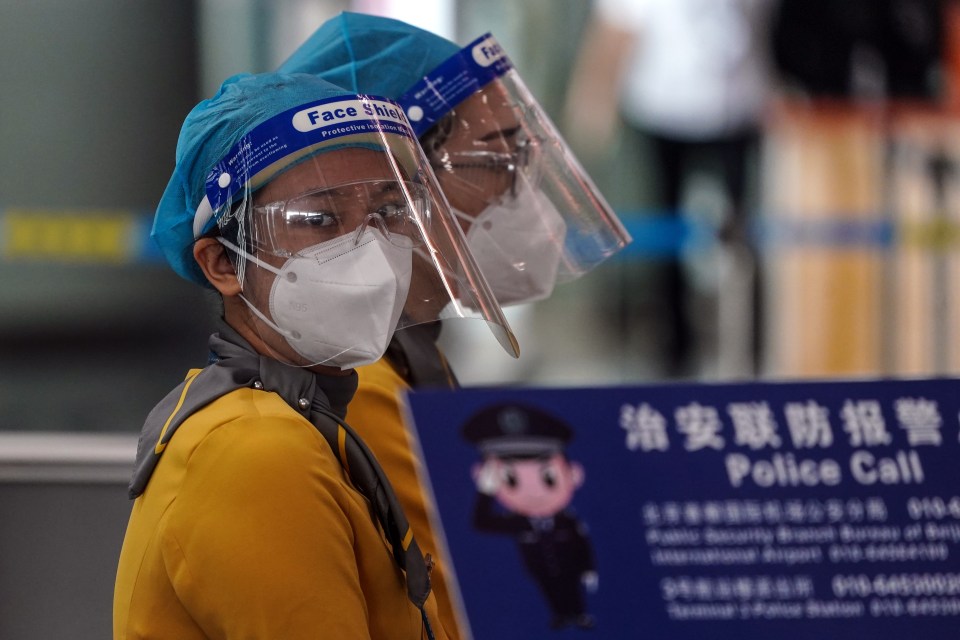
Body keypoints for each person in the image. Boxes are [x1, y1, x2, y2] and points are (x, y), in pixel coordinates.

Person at [112, 71, 519, 640]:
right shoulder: (256, 455)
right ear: (224, 264)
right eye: (318, 220)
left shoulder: (306, 416)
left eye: (386, 211)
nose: (371, 247)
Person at [276, 11, 630, 636]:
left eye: (526, 153)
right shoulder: (362, 387)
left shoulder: (403, 355)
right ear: (399, 187)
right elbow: (467, 593)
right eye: (498, 157)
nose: (524, 190)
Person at [565, 0, 777, 377]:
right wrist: (595, 99)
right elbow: (614, 33)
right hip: (663, 112)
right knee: (667, 238)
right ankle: (675, 349)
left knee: (741, 236)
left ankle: (749, 341)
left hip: (737, 110)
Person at [462, 402, 597, 630]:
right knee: (550, 593)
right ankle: (561, 616)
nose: (533, 491)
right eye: (512, 479)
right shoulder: (517, 522)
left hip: (569, 570)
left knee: (572, 591)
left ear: (573, 474)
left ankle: (580, 615)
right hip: (539, 573)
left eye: (548, 478)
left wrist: (588, 569)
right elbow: (481, 523)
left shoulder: (568, 520)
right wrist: (484, 494)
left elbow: (583, 545)